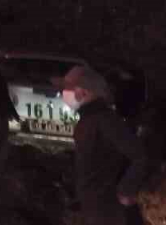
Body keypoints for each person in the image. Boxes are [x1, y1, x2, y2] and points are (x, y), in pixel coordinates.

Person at [56, 65, 150, 225]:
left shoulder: (105, 121)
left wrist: (126, 190)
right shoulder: (90, 120)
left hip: (105, 209)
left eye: (69, 88)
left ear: (84, 92)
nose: (63, 93)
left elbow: (140, 156)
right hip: (93, 206)